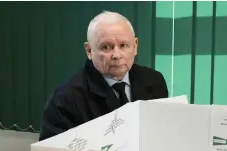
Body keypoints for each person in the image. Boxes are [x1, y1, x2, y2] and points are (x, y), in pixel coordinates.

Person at [39, 11, 169, 141]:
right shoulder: (65, 98)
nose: (116, 55)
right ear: (89, 51)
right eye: (106, 47)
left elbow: (163, 134)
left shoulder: (154, 81)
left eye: (123, 45)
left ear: (135, 46)